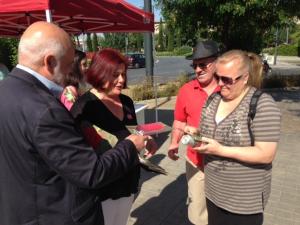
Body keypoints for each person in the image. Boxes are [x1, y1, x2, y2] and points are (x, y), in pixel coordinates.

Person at [0, 21, 149, 225]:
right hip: (52, 214)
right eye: (69, 64)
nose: (72, 72)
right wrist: (131, 146)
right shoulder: (46, 110)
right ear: (50, 62)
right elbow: (91, 172)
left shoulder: (5, 90)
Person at [189, 50, 281, 225]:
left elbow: (266, 154)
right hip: (213, 193)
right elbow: (206, 132)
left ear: (245, 77)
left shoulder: (262, 104)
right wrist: (195, 135)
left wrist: (220, 150)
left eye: (227, 79)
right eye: (217, 77)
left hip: (243, 203)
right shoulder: (213, 99)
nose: (220, 84)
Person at [71, 48, 158, 225]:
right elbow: (82, 159)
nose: (121, 80)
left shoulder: (126, 102)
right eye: (115, 75)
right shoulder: (84, 109)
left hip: (128, 182)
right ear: (99, 73)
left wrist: (146, 139)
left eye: (123, 74)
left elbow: (133, 132)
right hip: (102, 190)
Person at [168, 40, 220, 225]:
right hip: (196, 161)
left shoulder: (228, 89)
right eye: (195, 65)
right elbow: (179, 120)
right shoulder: (186, 90)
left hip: (224, 163)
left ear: (216, 63)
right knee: (198, 212)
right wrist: (174, 142)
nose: (198, 69)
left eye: (203, 64)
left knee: (221, 211)